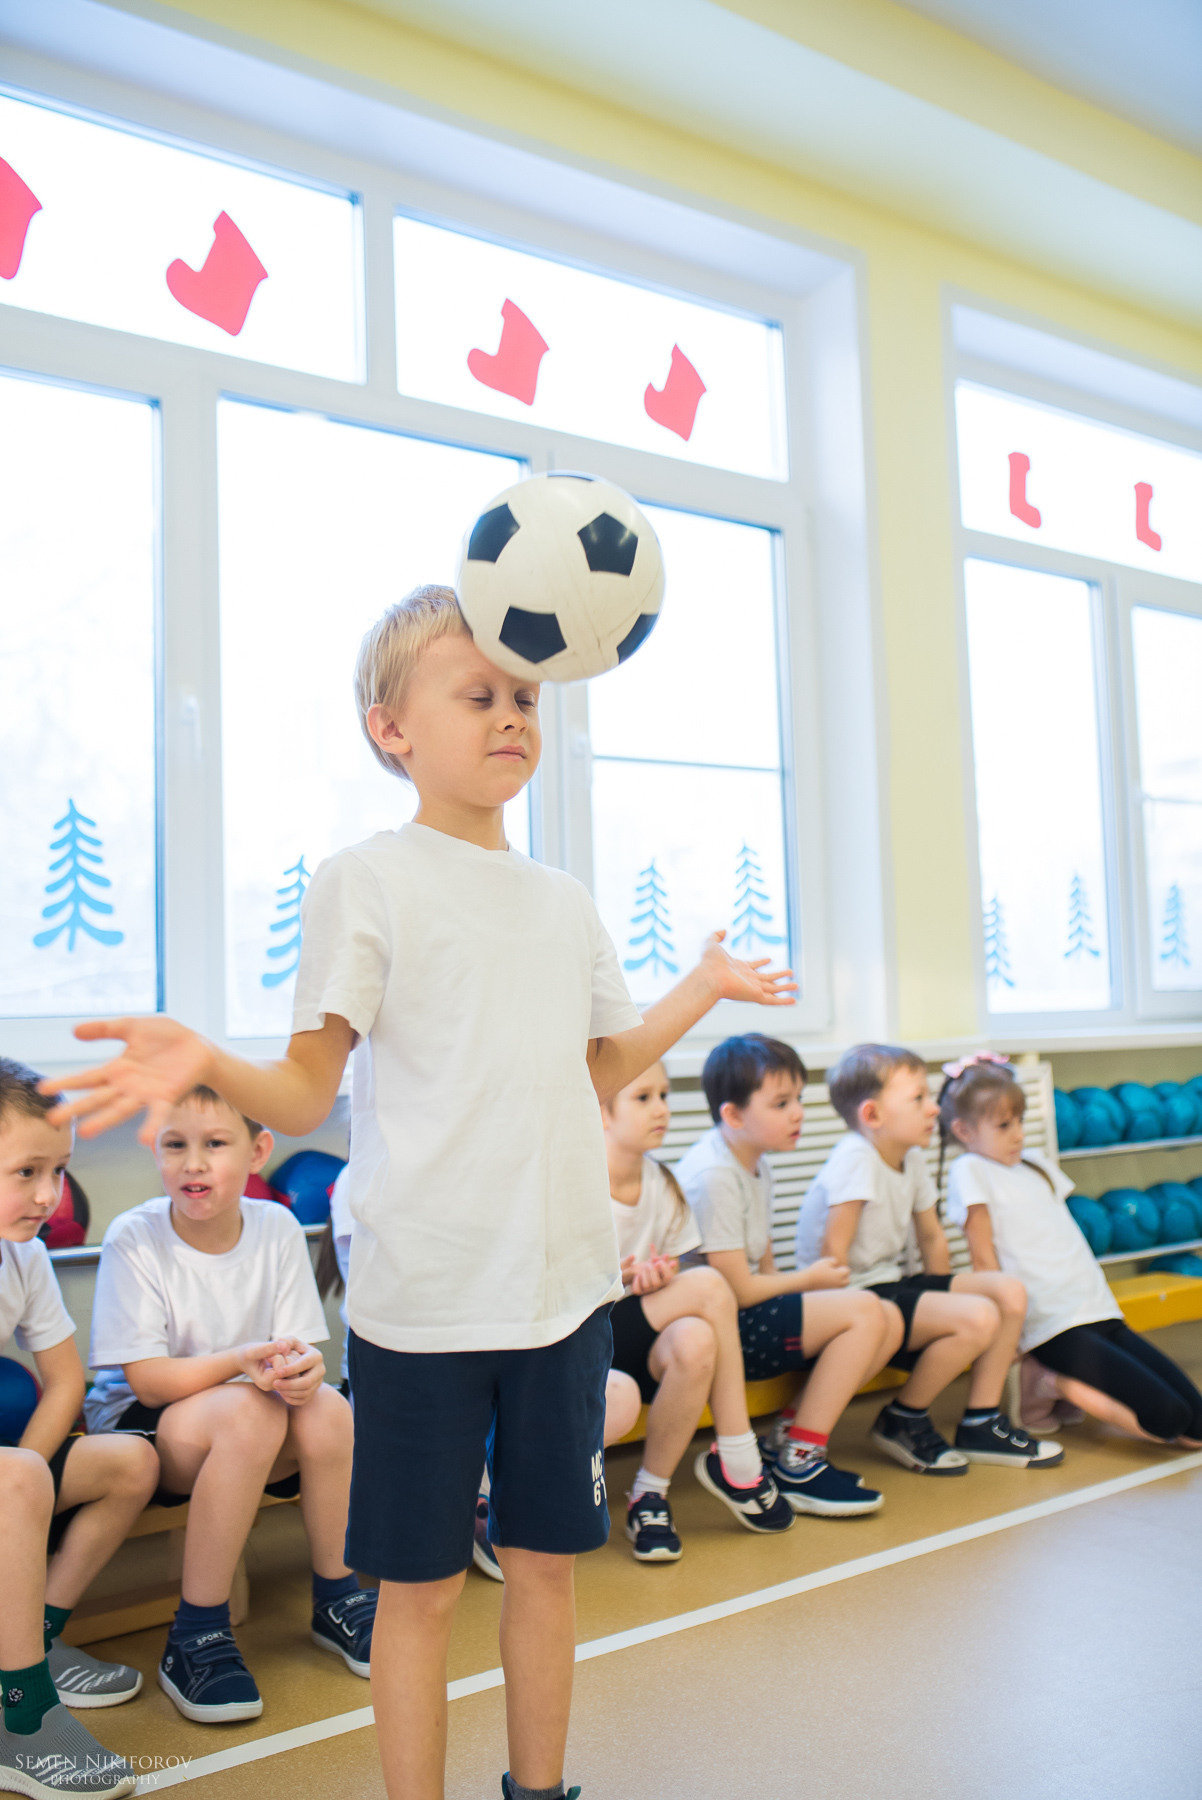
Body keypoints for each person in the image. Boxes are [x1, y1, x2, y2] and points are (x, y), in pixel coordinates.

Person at [49, 584, 796, 1800]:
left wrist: (702, 987)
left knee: (547, 1568)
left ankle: (538, 1788)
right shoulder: (367, 881)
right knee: (420, 1588)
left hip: (558, 1293)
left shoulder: (561, 901)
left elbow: (599, 1067)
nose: (510, 717)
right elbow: (301, 1094)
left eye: (524, 698)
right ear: (388, 727)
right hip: (423, 1305)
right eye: (477, 694)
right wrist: (203, 1055)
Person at [85, 1085, 372, 1725]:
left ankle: (338, 1597)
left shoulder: (274, 1227)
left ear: (256, 1151)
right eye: (175, 1145)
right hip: (147, 1425)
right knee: (251, 1411)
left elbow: (296, 1350)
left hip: (249, 1416)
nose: (194, 1163)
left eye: (215, 1144)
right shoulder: (135, 1235)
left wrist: (302, 1374)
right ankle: (196, 1635)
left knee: (327, 1409)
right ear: (156, 1153)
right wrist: (244, 1362)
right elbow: (150, 1382)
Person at [795, 1043, 1063, 1475]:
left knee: (1008, 1292)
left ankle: (981, 1420)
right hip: (853, 1297)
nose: (933, 1109)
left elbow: (932, 1238)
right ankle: (905, 1417)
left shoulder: (912, 1156)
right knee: (976, 1318)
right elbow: (833, 1258)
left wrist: (942, 1301)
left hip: (892, 1283)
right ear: (872, 1116)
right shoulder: (855, 1161)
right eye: (918, 1099)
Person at [0, 1059, 157, 1800]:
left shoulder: (24, 1254)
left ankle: (35, 1638)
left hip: (6, 1472)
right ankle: (20, 1715)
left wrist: (24, 1483)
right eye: (25, 1170)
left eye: (57, 1171)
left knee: (129, 1462)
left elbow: (66, 1380)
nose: (47, 1195)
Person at [678, 1035, 891, 1517]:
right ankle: (800, 1460)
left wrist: (799, 1286)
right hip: (724, 1329)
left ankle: (790, 1438)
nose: (797, 1113)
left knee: (887, 1318)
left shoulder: (754, 1161)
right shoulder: (713, 1175)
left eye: (798, 1099)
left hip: (750, 1311)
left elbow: (765, 1264)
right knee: (864, 1311)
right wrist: (809, 1280)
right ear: (733, 1115)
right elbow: (739, 1289)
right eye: (781, 1103)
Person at [942, 1054, 1202, 1447]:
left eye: (1020, 1122)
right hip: (1052, 1323)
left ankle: (1055, 1384)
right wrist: (1008, 1333)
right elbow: (983, 1259)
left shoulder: (1034, 1163)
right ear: (963, 1129)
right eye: (1003, 1125)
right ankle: (1052, 1383)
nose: (1018, 1135)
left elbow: (1059, 1237)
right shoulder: (970, 1170)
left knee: (1197, 1423)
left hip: (1096, 1307)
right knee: (1168, 1420)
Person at [604, 1061, 793, 1558]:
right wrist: (623, 1278)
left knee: (695, 1339)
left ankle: (649, 1495)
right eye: (642, 1098)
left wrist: (662, 1275)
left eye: (663, 1096)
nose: (661, 1110)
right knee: (709, 1285)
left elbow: (677, 1266)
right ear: (601, 1112)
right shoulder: (575, 1186)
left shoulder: (662, 1182)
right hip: (590, 1333)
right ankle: (738, 1456)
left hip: (641, 1333)